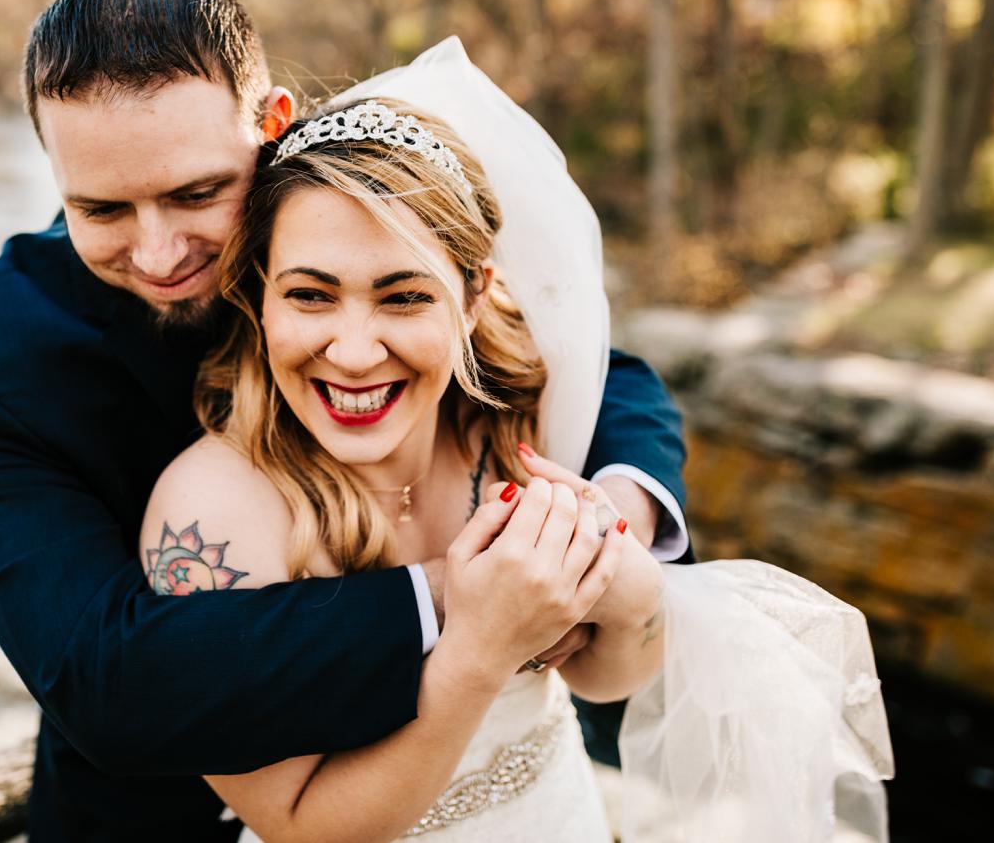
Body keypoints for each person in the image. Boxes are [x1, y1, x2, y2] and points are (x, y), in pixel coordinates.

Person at [0, 0, 691, 841]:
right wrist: (473, 591)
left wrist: (607, 521)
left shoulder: (354, 198)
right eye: (101, 210)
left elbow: (587, 358)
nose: (159, 254)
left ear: (273, 128)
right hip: (153, 811)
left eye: (198, 192)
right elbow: (107, 677)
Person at [140, 46, 893, 841]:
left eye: (404, 296)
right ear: (256, 293)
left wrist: (615, 573)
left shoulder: (515, 423)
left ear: (472, 298)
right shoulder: (210, 518)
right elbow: (298, 825)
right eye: (310, 295)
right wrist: (482, 648)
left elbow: (611, 676)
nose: (355, 349)